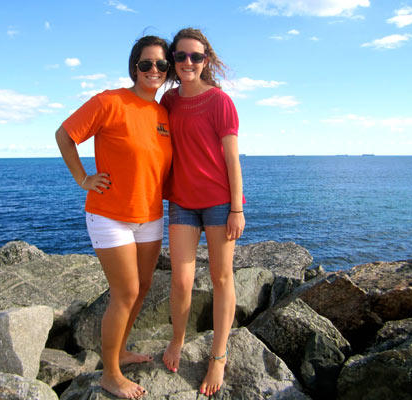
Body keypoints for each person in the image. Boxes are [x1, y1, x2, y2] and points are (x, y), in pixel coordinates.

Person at [55, 35, 172, 399]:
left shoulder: (162, 114)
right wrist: (83, 178)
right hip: (110, 215)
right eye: (146, 64)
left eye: (161, 65)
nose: (153, 70)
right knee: (126, 292)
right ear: (134, 67)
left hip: (150, 215)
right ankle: (110, 374)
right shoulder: (110, 101)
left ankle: (119, 351)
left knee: (142, 288)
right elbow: (65, 134)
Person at [161, 28, 245, 397]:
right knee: (180, 281)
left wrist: (236, 208)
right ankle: (177, 339)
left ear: (205, 60)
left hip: (217, 202)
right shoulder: (168, 101)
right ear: (172, 61)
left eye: (196, 57)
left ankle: (218, 356)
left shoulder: (219, 101)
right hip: (181, 201)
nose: (188, 63)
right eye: (181, 57)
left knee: (221, 277)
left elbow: (231, 157)